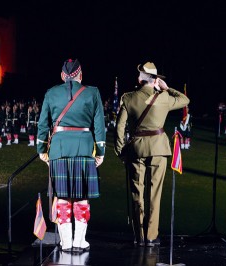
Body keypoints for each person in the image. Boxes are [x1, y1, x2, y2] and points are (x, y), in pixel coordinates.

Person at [114, 62, 190, 247]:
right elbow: (185, 100)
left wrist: (120, 151)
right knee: (154, 194)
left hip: (136, 149)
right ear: (154, 80)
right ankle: (150, 236)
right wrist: (167, 88)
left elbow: (119, 127)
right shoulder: (163, 97)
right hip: (158, 149)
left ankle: (139, 236)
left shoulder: (129, 98)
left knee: (136, 193)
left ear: (140, 79)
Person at [37, 59, 105, 253]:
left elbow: (43, 125)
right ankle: (79, 241)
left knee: (62, 197)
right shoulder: (92, 92)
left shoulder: (51, 93)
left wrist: (42, 149)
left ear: (62, 75)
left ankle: (66, 242)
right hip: (84, 149)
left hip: (58, 150)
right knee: (82, 197)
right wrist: (100, 152)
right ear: (80, 75)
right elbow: (99, 125)